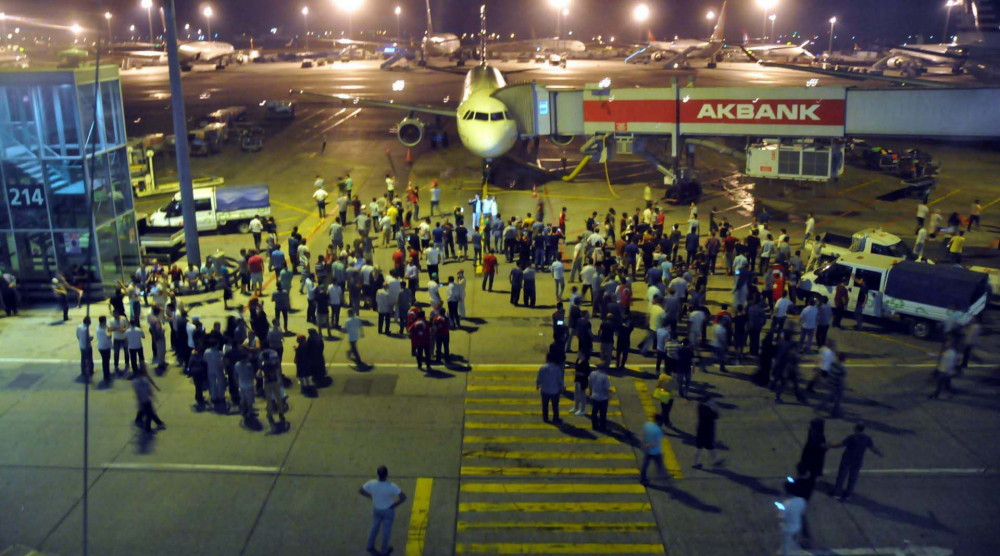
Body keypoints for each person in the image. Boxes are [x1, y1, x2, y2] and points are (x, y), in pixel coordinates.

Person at [359, 465, 407, 556]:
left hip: (377, 509)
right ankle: (384, 550)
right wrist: (395, 505)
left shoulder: (371, 483)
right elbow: (403, 497)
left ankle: (370, 545)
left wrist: (372, 497)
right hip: (388, 510)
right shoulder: (391, 486)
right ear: (386, 475)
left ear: (378, 474)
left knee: (374, 527)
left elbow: (361, 491)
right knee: (386, 531)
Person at [829, 422, 884, 501]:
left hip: (847, 459)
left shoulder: (852, 437)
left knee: (841, 477)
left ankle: (837, 493)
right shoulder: (867, 438)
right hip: (858, 461)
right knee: (853, 478)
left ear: (856, 428)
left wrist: (831, 445)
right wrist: (879, 453)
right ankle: (848, 494)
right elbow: (873, 448)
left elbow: (841, 444)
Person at [777, 480, 808, 556]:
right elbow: (802, 512)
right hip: (797, 526)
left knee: (786, 546)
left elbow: (781, 517)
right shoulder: (801, 501)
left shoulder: (786, 504)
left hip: (787, 528)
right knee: (794, 542)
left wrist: (780, 508)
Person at [132, 364, 164, 433]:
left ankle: (141, 421)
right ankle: (154, 424)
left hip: (144, 400)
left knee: (147, 412)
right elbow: (148, 390)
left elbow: (147, 390)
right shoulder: (143, 380)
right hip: (145, 400)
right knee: (150, 413)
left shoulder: (139, 381)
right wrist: (153, 396)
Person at [693, 398, 722, 469]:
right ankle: (715, 461)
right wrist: (715, 406)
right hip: (708, 432)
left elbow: (700, 404)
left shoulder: (700, 407)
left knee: (699, 447)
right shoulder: (710, 411)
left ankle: (695, 463)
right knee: (710, 446)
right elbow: (717, 415)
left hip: (700, 431)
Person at [536, 354, 564, 423]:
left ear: (547, 359)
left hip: (544, 390)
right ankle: (555, 418)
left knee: (545, 405)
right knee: (555, 406)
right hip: (554, 391)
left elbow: (539, 378)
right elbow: (560, 380)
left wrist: (538, 385)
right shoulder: (557, 368)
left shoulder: (542, 368)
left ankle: (545, 418)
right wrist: (561, 387)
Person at [640, 417, 668, 484]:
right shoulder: (658, 430)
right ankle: (663, 476)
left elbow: (643, 434)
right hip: (655, 451)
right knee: (659, 464)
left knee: (645, 464)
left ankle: (642, 478)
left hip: (647, 450)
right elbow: (656, 443)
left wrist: (644, 444)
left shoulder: (647, 424)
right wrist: (649, 445)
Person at [588, 364, 611, 431]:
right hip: (602, 398)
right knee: (602, 414)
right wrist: (609, 395)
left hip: (594, 396)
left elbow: (590, 384)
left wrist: (590, 393)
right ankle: (602, 427)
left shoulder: (592, 374)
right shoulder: (604, 376)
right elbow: (606, 388)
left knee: (594, 412)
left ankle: (594, 426)